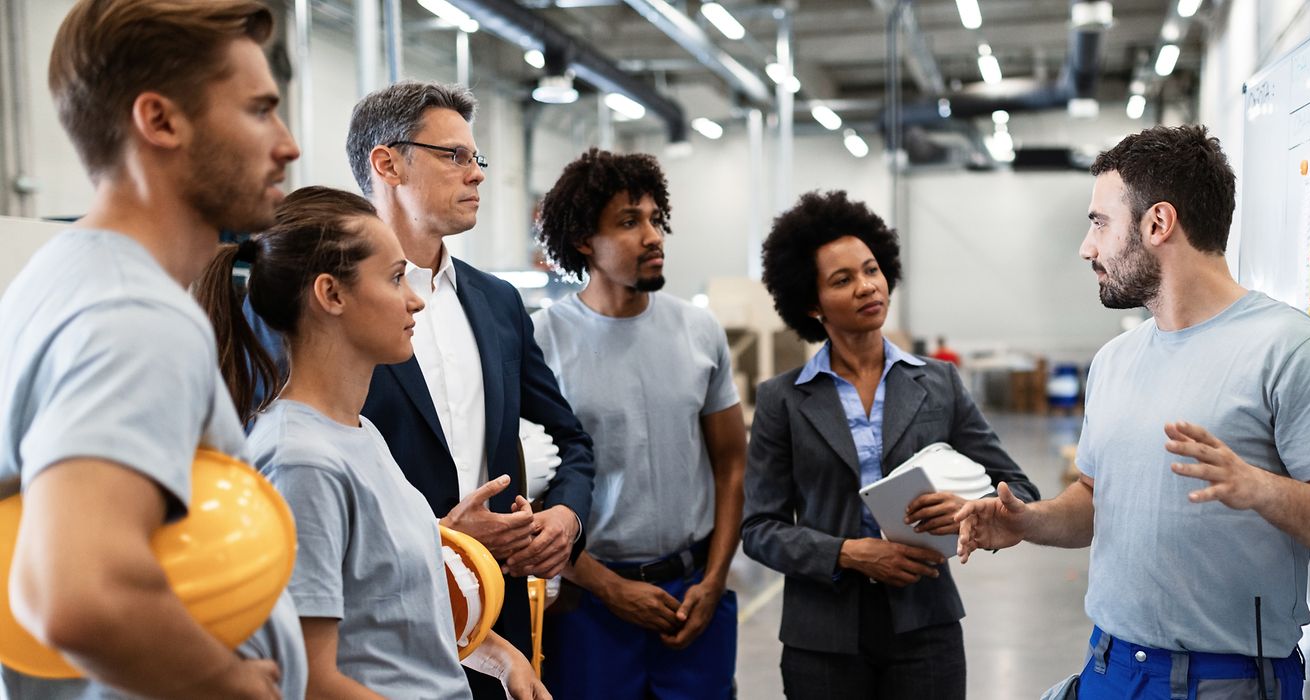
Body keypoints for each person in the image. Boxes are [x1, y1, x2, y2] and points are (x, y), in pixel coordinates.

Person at [955, 125, 1310, 699]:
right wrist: (1025, 522)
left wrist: (1261, 489)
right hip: (1111, 667)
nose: (1087, 248)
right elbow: (1094, 501)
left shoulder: (1290, 351)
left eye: (1099, 223)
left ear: (1158, 224)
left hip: (1226, 683)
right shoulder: (1114, 361)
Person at [0, 1, 305, 697]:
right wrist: (228, 682)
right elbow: (80, 594)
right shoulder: (135, 314)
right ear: (160, 120)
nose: (286, 143)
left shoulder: (58, 276)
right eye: (260, 110)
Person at [196, 186, 547, 700]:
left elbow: (392, 610)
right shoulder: (300, 460)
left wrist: (501, 657)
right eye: (396, 278)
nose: (415, 299)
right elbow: (310, 681)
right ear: (331, 295)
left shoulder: (361, 433)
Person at [344, 80, 597, 696]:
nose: (476, 174)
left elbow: (572, 439)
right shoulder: (333, 301)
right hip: (382, 616)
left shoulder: (497, 303)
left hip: (497, 605)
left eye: (475, 158)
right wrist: (440, 537)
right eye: (453, 156)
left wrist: (566, 515)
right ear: (387, 163)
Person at [742, 190, 1039, 700]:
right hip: (822, 637)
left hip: (926, 625)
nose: (866, 286)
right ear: (812, 304)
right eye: (843, 280)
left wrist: (970, 508)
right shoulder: (782, 401)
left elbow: (1021, 491)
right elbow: (760, 530)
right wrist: (849, 554)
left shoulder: (939, 383)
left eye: (871, 270)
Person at [531, 148, 746, 699]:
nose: (653, 235)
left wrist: (715, 579)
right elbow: (528, 490)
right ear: (585, 241)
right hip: (590, 604)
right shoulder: (542, 341)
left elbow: (731, 464)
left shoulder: (699, 332)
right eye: (629, 223)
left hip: (693, 596)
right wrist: (607, 586)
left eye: (654, 218)